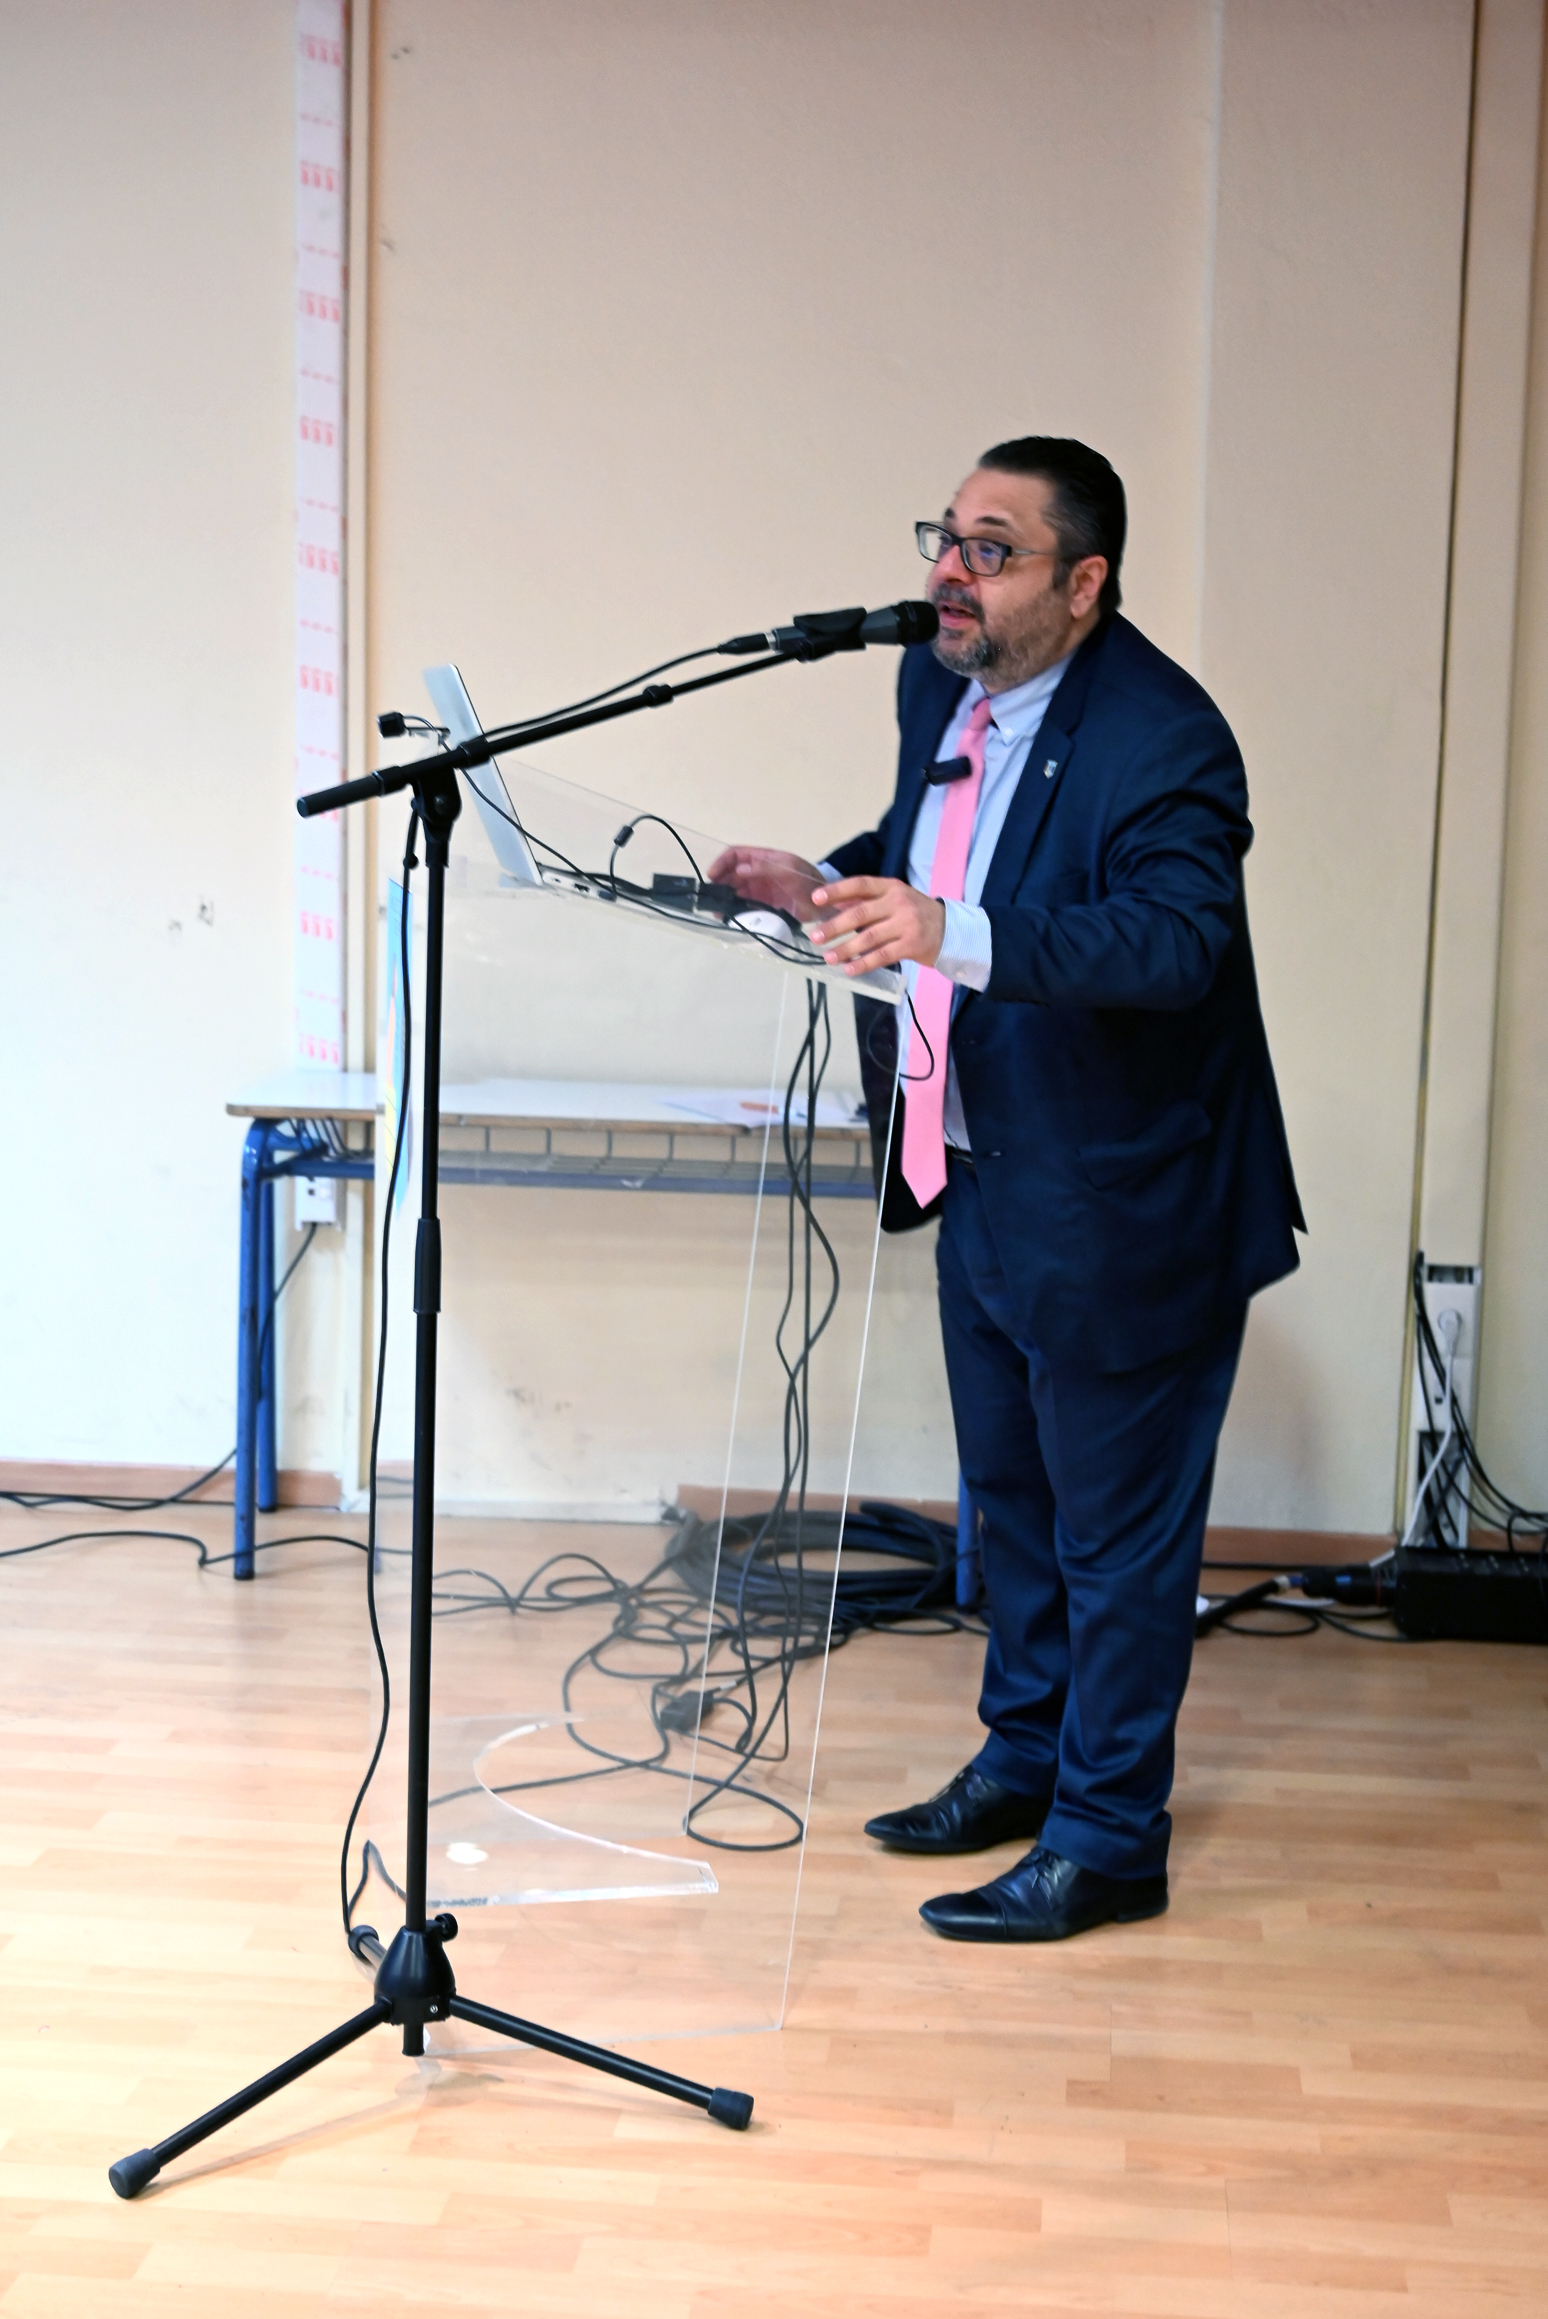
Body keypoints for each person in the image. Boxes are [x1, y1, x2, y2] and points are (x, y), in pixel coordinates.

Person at [709, 437, 1302, 1942]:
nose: (947, 574)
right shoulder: (940, 684)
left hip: (1127, 1202)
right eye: (944, 537)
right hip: (973, 1163)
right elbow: (933, 856)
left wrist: (942, 929)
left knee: (1116, 1544)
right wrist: (822, 881)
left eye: (991, 547)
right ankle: (1026, 1758)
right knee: (1015, 1511)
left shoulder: (1167, 736)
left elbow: (1173, 943)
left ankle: (1108, 1839)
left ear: (1083, 582)